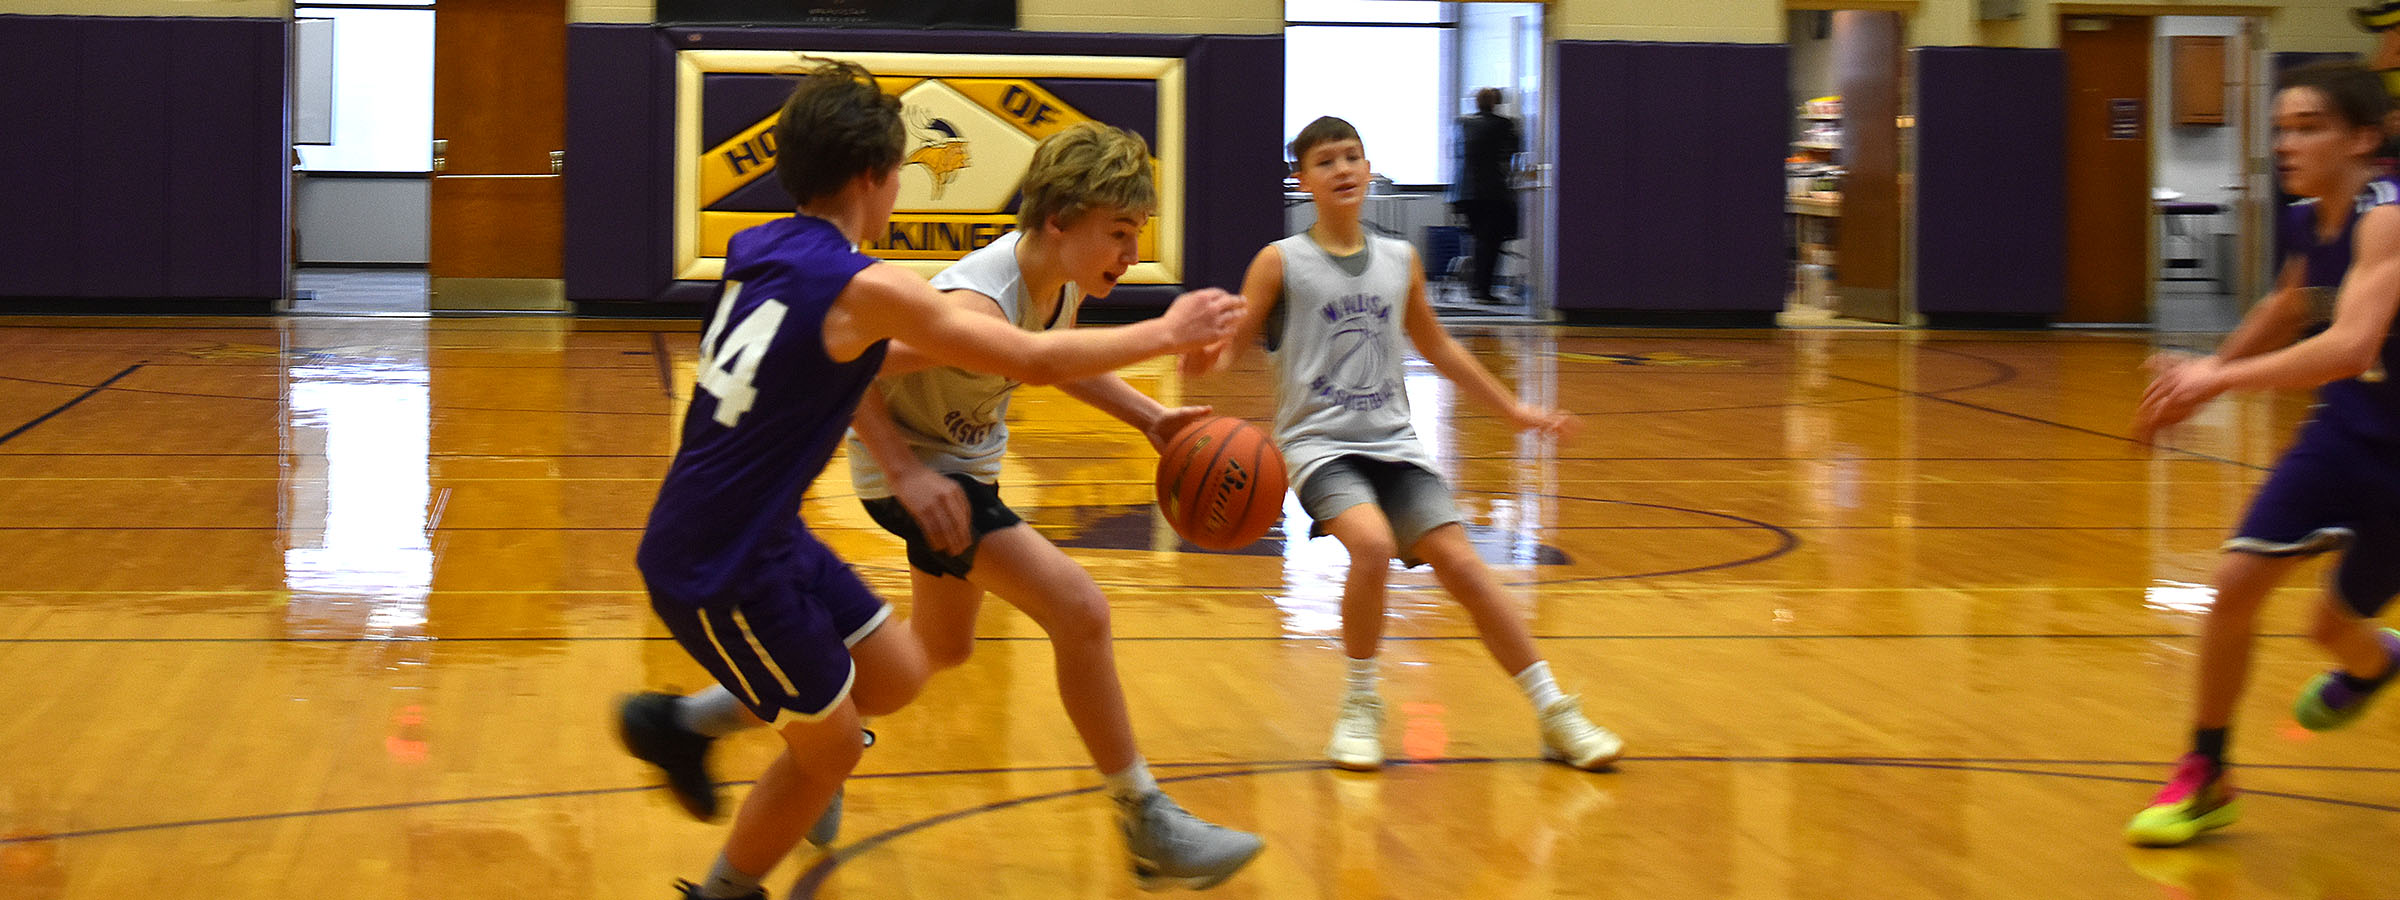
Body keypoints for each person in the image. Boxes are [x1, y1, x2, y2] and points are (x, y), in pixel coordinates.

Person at [618, 59, 1243, 900]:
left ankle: (695, 723)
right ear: (877, 178)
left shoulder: (760, 247)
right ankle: (1140, 816)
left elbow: (1036, 359)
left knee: (919, 662)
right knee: (1071, 612)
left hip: (779, 525)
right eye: (1122, 234)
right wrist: (1166, 333)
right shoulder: (893, 291)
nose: (1130, 252)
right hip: (750, 543)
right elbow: (982, 358)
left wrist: (1150, 419)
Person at [1191, 115, 1623, 773]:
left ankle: (1554, 712)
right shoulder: (1279, 261)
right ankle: (1361, 705)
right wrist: (1204, 361)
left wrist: (1513, 409)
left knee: (1466, 567)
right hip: (1318, 446)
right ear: (1301, 178)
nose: (1342, 169)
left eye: (1352, 157)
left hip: (1394, 443)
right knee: (1369, 547)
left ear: (1368, 171)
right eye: (1327, 160)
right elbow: (1237, 342)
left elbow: (1438, 343)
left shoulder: (1400, 259)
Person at [2126, 61, 2400, 848]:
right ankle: (2208, 773)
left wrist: (2220, 376)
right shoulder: (2307, 218)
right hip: (2347, 431)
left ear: (2365, 138)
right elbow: (2290, 305)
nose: (2286, 143)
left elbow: (2350, 344)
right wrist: (2203, 380)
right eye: (2281, 128)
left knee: (2329, 630)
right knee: (2234, 585)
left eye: (2308, 127)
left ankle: (2375, 665)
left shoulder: (2386, 217)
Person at [1453, 87, 1522, 304]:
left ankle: (1476, 288)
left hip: (1464, 192)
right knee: (1491, 242)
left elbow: (1458, 154)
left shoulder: (1462, 122)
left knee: (1479, 241)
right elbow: (1512, 153)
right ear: (1495, 103)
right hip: (1491, 192)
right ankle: (1483, 291)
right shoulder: (1503, 124)